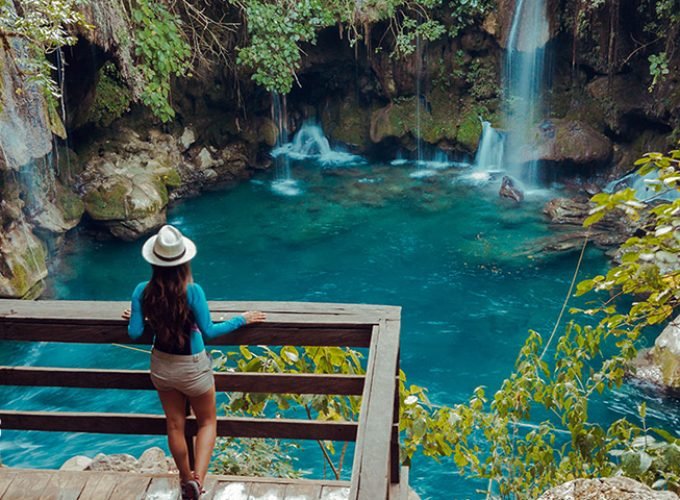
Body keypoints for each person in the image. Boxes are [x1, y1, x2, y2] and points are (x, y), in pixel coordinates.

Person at [123, 224, 265, 500]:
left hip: (162, 367)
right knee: (207, 422)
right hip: (193, 367)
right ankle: (198, 483)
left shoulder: (143, 291)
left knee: (175, 424)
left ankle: (184, 477)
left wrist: (141, 316)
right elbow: (209, 331)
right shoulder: (193, 291)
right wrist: (242, 319)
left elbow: (134, 332)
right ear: (184, 260)